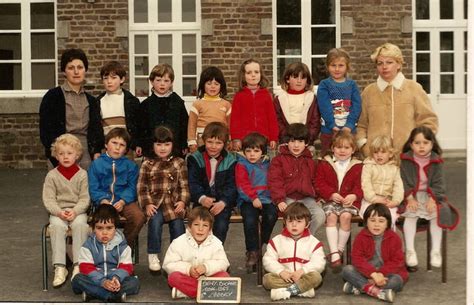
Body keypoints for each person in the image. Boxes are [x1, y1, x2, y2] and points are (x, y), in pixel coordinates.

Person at [355, 43, 438, 158]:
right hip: (376, 158)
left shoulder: (414, 88)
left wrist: (419, 146)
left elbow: (429, 121)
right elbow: (361, 125)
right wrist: (364, 146)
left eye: (389, 62)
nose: (384, 67)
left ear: (399, 64)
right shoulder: (369, 92)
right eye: (380, 63)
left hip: (408, 158)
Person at [399, 126, 459, 270]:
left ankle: (435, 251)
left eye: (425, 143)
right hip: (411, 196)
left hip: (431, 195)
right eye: (417, 143)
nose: (421, 146)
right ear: (411, 144)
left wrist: (433, 199)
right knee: (410, 215)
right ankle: (410, 251)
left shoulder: (436, 161)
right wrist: (409, 198)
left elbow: (439, 184)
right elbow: (403, 181)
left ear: (432, 144)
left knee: (435, 214)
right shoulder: (406, 160)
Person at [39, 48, 103, 169]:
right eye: (71, 68)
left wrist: (96, 152)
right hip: (62, 152)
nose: (76, 72)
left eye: (80, 67)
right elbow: (46, 131)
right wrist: (58, 153)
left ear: (85, 70)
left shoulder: (92, 100)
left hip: (86, 154)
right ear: (64, 71)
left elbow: (96, 130)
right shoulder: (53, 96)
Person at [137, 126, 190, 272]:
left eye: (167, 144)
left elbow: (184, 186)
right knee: (155, 221)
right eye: (158, 144)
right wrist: (147, 204)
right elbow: (142, 187)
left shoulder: (179, 163)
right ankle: (153, 254)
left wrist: (182, 201)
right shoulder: (147, 163)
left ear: (173, 145)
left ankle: (177, 256)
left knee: (178, 224)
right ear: (152, 145)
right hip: (155, 204)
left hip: (173, 204)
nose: (162, 148)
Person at [42, 134, 90, 287]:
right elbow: (48, 199)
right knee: (56, 226)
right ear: (56, 155)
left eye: (69, 153)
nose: (65, 157)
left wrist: (76, 211)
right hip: (58, 212)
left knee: (80, 225)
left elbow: (85, 198)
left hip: (78, 211)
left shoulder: (82, 175)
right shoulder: (52, 176)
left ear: (77, 155)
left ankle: (78, 265)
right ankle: (60, 267)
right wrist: (58, 212)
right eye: (61, 154)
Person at [88, 127, 146, 246]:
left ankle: (122, 246)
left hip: (124, 201)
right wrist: (102, 199)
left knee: (138, 217)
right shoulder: (96, 164)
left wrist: (123, 201)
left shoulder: (131, 166)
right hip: (103, 201)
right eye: (114, 143)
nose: (117, 147)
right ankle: (102, 250)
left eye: (122, 145)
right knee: (104, 221)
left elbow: (132, 187)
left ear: (126, 149)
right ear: (106, 144)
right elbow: (93, 187)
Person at [71, 204, 140, 302]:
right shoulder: (87, 246)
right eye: (99, 228)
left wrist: (116, 279)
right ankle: (112, 296)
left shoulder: (123, 247)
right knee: (78, 279)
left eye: (109, 228)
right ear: (93, 228)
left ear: (115, 228)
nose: (104, 233)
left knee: (134, 282)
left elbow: (126, 267)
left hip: (115, 279)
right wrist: (102, 282)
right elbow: (86, 268)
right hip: (95, 279)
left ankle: (93, 293)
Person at [315, 131, 363, 269]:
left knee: (345, 216)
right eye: (339, 147)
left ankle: (339, 250)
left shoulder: (358, 165)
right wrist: (330, 194)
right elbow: (319, 183)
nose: (342, 151)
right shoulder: (324, 163)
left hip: (349, 201)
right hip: (330, 200)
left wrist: (354, 195)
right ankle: (334, 253)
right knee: (331, 216)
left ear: (353, 150)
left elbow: (361, 185)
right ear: (332, 148)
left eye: (347, 148)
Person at [342, 203, 408, 303]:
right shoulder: (361, 237)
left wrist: (380, 274)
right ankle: (377, 292)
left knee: (397, 280)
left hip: (386, 274)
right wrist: (373, 274)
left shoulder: (394, 238)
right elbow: (357, 259)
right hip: (366, 273)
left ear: (387, 223)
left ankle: (359, 287)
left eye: (381, 221)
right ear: (366, 222)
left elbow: (397, 261)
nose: (376, 224)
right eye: (372, 220)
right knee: (347, 270)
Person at [267, 123, 325, 236]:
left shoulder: (311, 161)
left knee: (320, 215)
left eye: (300, 142)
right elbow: (275, 181)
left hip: (307, 198)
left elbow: (315, 181)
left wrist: (319, 197)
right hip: (287, 198)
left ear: (306, 143)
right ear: (287, 142)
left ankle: (304, 239)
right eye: (292, 141)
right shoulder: (278, 160)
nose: (296, 145)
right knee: (293, 217)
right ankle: (292, 242)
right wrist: (280, 200)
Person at [162, 206, 230, 299]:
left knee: (224, 276)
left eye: (205, 225)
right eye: (196, 225)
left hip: (207, 278)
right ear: (189, 228)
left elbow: (223, 263)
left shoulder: (216, 243)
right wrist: (188, 269)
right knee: (173, 277)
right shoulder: (178, 242)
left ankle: (185, 293)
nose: (200, 229)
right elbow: (168, 264)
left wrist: (206, 267)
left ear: (210, 230)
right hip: (187, 278)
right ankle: (209, 292)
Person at [262, 202, 325, 301]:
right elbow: (268, 260)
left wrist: (302, 271)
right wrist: (280, 271)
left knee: (317, 277)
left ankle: (286, 291)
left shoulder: (313, 243)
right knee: (267, 279)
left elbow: (319, 263)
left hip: (303, 276)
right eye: (290, 221)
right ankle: (303, 290)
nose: (294, 225)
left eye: (299, 221)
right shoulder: (277, 241)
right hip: (284, 277)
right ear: (284, 223)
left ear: (307, 224)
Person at [187, 122, 237, 243]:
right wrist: (201, 198)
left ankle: (216, 253)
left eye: (218, 143)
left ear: (225, 144)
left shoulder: (231, 160)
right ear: (203, 140)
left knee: (220, 225)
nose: (213, 146)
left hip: (221, 202)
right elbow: (192, 183)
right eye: (210, 142)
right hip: (201, 200)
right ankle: (197, 253)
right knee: (199, 224)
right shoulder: (195, 158)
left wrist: (223, 202)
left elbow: (232, 185)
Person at [235, 132, 278, 272]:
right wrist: (253, 198)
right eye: (248, 151)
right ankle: (252, 251)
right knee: (249, 219)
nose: (252, 154)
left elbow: (273, 181)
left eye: (256, 151)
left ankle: (261, 243)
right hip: (248, 200)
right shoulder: (241, 164)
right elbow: (242, 185)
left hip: (267, 199)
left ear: (263, 151)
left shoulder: (268, 164)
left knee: (271, 215)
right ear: (243, 151)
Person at [317, 48, 361, 156]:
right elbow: (324, 106)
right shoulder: (324, 84)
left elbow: (356, 106)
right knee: (328, 157)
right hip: (329, 130)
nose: (337, 69)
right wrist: (332, 125)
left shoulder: (352, 85)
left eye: (341, 65)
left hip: (349, 130)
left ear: (347, 67)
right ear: (327, 66)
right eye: (333, 65)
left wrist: (349, 125)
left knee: (349, 156)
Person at [140, 63, 189, 158]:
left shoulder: (177, 102)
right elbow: (142, 128)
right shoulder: (146, 105)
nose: (162, 84)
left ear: (171, 82)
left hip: (175, 149)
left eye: (166, 81)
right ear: (151, 81)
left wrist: (184, 144)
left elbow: (184, 125)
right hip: (152, 150)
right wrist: (140, 145)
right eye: (158, 80)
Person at [230, 59, 279, 152]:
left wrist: (273, 138)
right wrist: (236, 138)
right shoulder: (239, 96)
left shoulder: (266, 95)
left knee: (264, 165)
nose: (253, 75)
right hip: (245, 140)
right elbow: (235, 119)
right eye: (249, 72)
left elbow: (272, 118)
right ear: (243, 76)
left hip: (264, 139)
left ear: (261, 74)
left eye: (256, 72)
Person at [97, 61, 142, 156]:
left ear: (122, 79)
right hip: (106, 149)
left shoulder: (131, 101)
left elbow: (137, 126)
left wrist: (137, 144)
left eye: (113, 78)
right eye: (106, 78)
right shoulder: (98, 102)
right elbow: (96, 129)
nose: (109, 81)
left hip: (126, 148)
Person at [273, 62, 320, 150]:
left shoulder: (312, 98)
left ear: (307, 81)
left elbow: (315, 121)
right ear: (287, 79)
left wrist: (308, 139)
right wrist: (287, 138)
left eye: (303, 78)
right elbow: (277, 121)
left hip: (306, 142)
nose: (299, 81)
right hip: (286, 141)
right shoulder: (279, 98)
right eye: (295, 77)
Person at [360, 135, 403, 228]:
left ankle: (388, 240)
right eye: (376, 152)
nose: (379, 155)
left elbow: (398, 187)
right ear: (372, 153)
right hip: (370, 200)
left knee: (390, 216)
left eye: (383, 152)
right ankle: (370, 240)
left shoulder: (395, 169)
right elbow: (365, 185)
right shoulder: (368, 166)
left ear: (390, 154)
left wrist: (395, 201)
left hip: (388, 200)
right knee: (370, 216)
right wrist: (373, 198)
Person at [187, 66, 232, 153]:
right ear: (203, 85)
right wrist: (191, 142)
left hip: (220, 140)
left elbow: (229, 125)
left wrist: (230, 139)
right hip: (202, 140)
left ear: (221, 86)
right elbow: (192, 124)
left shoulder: (226, 105)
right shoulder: (197, 104)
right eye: (209, 83)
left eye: (216, 84)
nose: (213, 87)